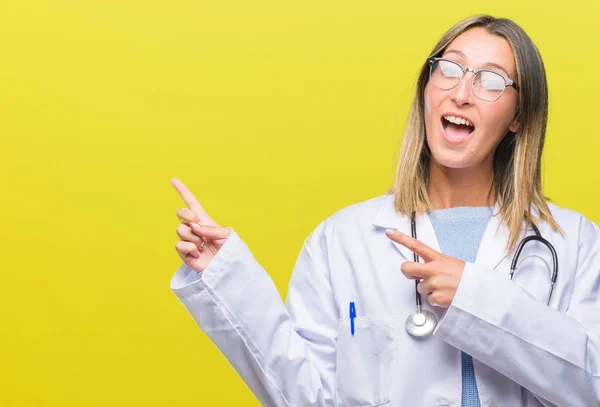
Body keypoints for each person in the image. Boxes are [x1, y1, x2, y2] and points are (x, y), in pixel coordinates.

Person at [169, 14, 600, 407]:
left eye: (490, 81)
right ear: (426, 88)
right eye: (449, 69)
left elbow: (592, 385)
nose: (462, 93)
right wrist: (227, 280)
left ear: (518, 116)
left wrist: (474, 299)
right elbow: (306, 397)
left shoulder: (574, 241)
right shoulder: (342, 240)